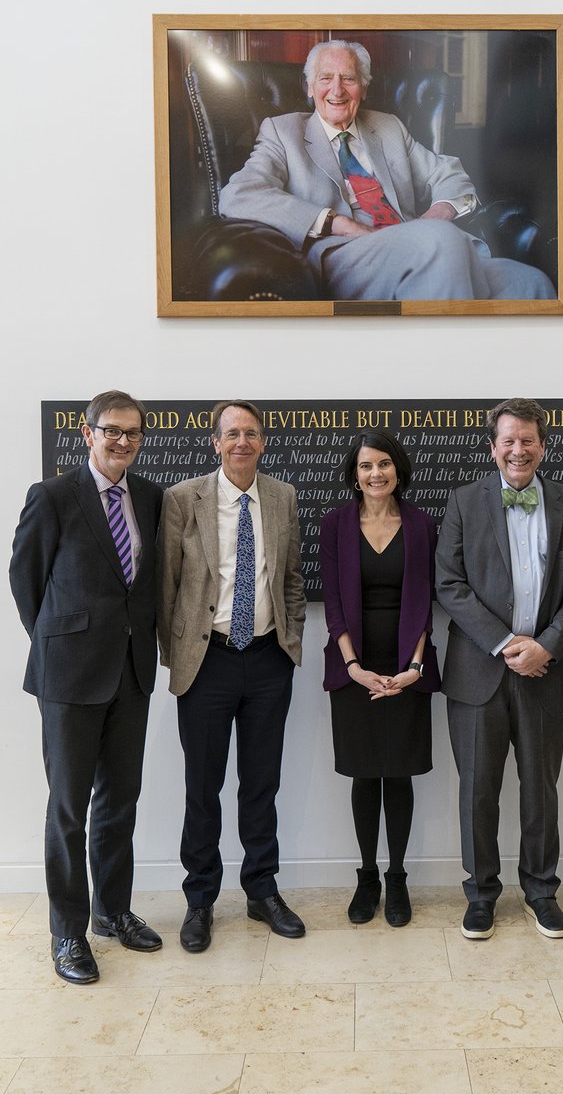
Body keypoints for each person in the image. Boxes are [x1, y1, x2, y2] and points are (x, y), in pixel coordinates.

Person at [9, 391, 163, 985]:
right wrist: (59, 641)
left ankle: (112, 911)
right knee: (69, 808)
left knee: (120, 801)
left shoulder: (148, 497)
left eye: (132, 432)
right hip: (69, 675)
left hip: (131, 672)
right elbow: (27, 579)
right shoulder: (52, 496)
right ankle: (67, 931)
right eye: (111, 430)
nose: (121, 440)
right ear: (87, 432)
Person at [219, 39, 556, 303]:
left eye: (348, 79)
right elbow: (238, 195)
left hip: (422, 245)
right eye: (325, 79)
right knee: (440, 243)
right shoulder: (283, 132)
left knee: (531, 283)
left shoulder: (388, 127)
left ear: (363, 88)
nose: (336, 90)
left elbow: (447, 173)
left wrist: (438, 214)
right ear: (309, 87)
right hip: (345, 256)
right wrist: (340, 223)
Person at [436, 398, 563, 941]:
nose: (518, 450)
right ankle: (480, 894)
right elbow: (449, 584)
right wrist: (506, 643)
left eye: (527, 440)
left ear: (543, 446)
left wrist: (546, 645)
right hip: (477, 673)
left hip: (544, 672)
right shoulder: (462, 502)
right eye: (508, 440)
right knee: (478, 788)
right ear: (493, 446)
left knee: (539, 789)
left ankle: (541, 891)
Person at [158, 399, 306, 952]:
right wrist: (178, 656)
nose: (241, 442)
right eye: (231, 434)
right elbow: (165, 587)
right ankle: (200, 901)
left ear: (263, 441)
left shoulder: (282, 495)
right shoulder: (183, 499)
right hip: (207, 661)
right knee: (203, 786)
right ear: (215, 442)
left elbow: (290, 575)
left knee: (261, 783)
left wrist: (290, 643)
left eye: (251, 433)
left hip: (268, 659)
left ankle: (262, 891)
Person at [320, 431, 440, 926]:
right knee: (365, 773)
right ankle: (367, 874)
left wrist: (412, 668)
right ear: (355, 474)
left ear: (398, 470)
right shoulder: (334, 524)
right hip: (355, 667)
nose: (376, 474)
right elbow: (332, 604)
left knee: (400, 771)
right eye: (366, 466)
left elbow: (428, 601)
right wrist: (355, 669)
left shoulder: (422, 525)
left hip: (406, 667)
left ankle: (397, 877)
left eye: (384, 465)